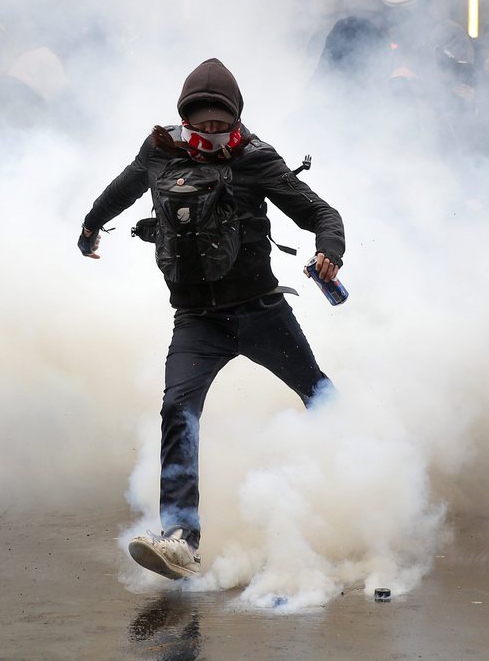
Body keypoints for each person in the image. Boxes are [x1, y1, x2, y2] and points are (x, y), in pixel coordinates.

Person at [78, 58, 346, 580]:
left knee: (318, 394)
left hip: (261, 311)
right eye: (200, 126)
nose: (210, 136)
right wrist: (92, 225)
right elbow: (122, 189)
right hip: (196, 319)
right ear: (184, 119)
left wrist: (329, 250)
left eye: (221, 126)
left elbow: (321, 213)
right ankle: (180, 537)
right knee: (178, 409)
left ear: (236, 121)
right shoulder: (159, 150)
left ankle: (369, 476)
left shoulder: (256, 157)